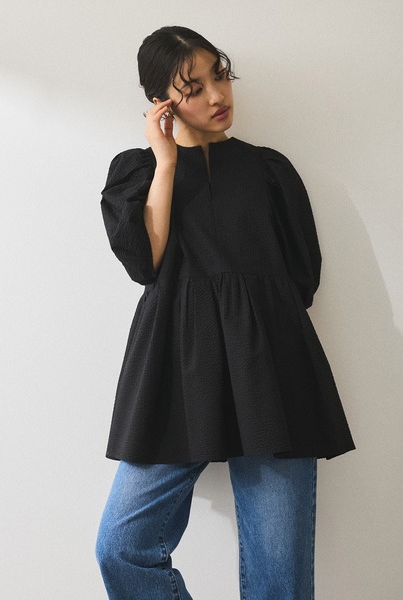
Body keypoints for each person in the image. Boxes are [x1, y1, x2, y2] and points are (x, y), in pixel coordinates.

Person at [96, 25, 355, 600]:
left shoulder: (269, 170)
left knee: (279, 582)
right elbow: (144, 262)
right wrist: (166, 161)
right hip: (173, 371)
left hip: (272, 374)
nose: (217, 96)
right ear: (161, 102)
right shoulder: (139, 172)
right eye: (193, 87)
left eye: (220, 75)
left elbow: (302, 278)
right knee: (121, 547)